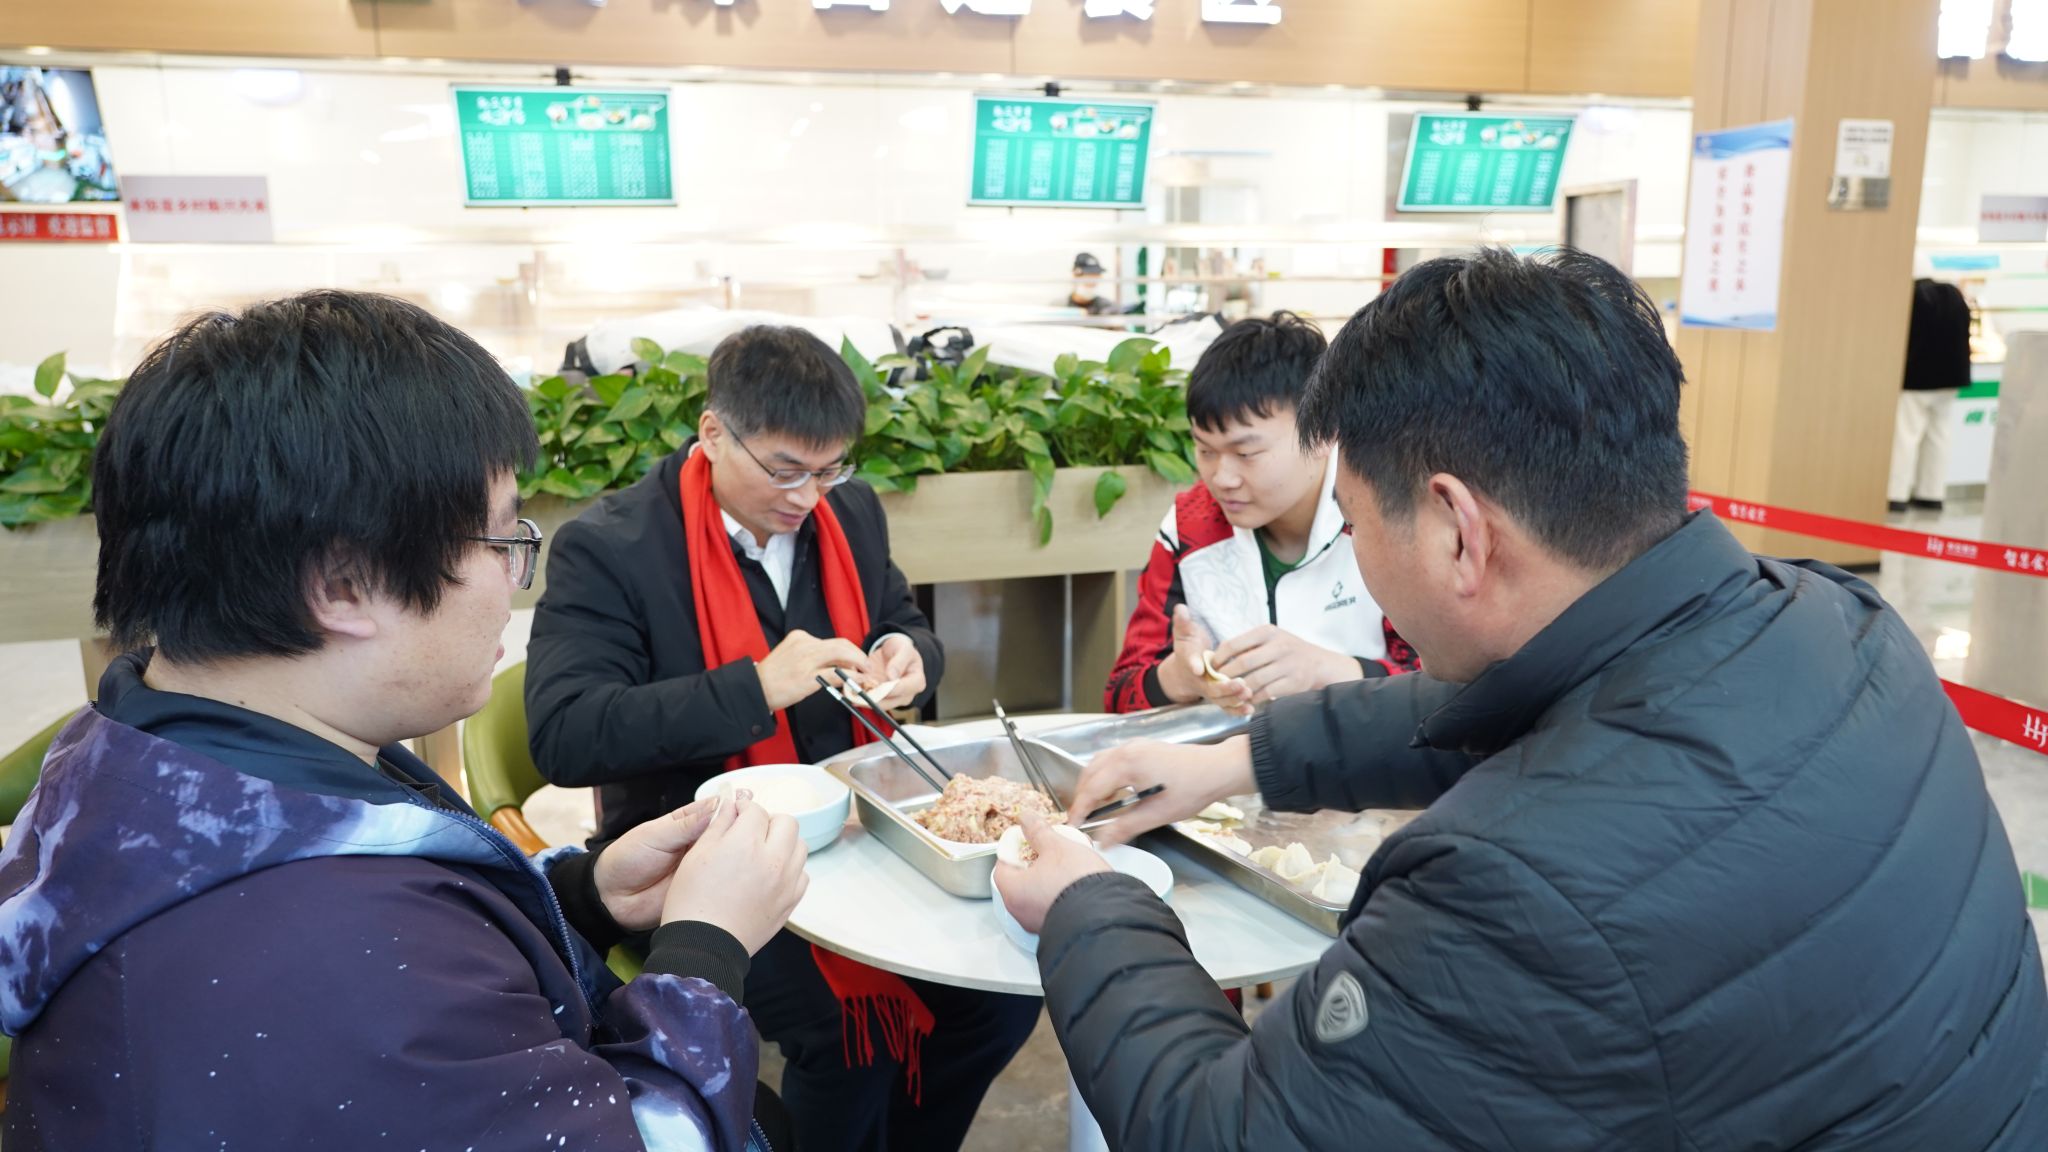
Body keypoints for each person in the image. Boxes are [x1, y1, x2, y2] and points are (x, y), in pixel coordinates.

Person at [1001, 249, 2048, 1150]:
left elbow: (1225, 1131)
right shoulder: (1834, 620)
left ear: (1458, 530)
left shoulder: (1506, 897)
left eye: (1357, 524)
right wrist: (1237, 760)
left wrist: (1093, 904)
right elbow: (1530, 708)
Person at [0, 291, 808, 1151]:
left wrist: (585, 894)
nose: (513, 585)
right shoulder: (342, 974)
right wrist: (706, 949)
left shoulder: (140, 755)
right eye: (502, 542)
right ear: (344, 584)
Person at [525, 324, 1040, 1152]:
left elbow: (902, 619)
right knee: (849, 1041)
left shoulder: (850, 514)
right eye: (785, 470)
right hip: (694, 856)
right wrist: (759, 685)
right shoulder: (614, 547)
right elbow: (567, 734)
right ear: (713, 432)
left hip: (858, 831)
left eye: (830, 470)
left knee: (1003, 998)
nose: (808, 496)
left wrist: (908, 654)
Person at [1105, 311, 1416, 718]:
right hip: (1230, 756)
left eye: (1246, 453)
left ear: (1323, 433)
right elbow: (1120, 694)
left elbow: (1450, 690)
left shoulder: (1388, 516)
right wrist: (1180, 677)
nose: (1222, 478)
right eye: (1205, 450)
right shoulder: (1190, 527)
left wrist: (1330, 671)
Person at [1888, 276, 1973, 514]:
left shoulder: (1914, 297)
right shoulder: (1953, 295)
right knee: (1939, 435)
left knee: (1905, 436)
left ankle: (1896, 494)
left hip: (1917, 379)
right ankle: (1931, 493)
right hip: (1951, 379)